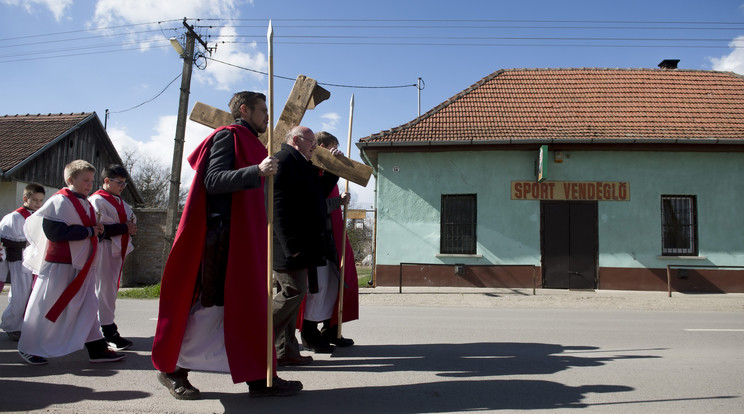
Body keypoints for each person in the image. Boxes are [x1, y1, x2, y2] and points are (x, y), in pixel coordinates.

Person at [152, 91, 302, 400]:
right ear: (245, 110)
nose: (268, 116)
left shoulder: (253, 143)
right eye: (263, 110)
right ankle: (172, 370)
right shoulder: (227, 137)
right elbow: (214, 180)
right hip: (224, 238)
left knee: (250, 308)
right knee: (213, 308)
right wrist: (256, 171)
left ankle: (259, 378)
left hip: (246, 237)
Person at [19, 160, 125, 365]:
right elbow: (54, 232)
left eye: (91, 180)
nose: (89, 184)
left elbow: (90, 231)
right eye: (85, 180)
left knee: (88, 306)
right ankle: (28, 347)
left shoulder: (85, 202)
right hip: (59, 267)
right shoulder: (59, 201)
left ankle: (96, 347)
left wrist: (99, 232)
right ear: (70, 180)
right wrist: (88, 231)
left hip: (82, 267)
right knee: (45, 308)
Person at [272, 125, 341, 366]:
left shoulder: (302, 163)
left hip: (301, 246)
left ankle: (286, 351)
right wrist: (291, 245)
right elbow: (277, 205)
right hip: (289, 247)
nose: (314, 145)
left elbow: (319, 192)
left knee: (295, 297)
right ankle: (256, 333)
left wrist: (333, 169)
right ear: (295, 140)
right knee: (293, 292)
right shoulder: (284, 160)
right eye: (310, 141)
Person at [299, 132, 359, 353]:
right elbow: (314, 203)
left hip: (333, 238)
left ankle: (331, 329)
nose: (336, 151)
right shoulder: (310, 169)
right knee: (316, 287)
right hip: (317, 238)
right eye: (332, 147)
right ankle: (310, 334)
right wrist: (337, 201)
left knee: (335, 284)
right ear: (320, 146)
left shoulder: (325, 170)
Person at [89, 165, 137, 351]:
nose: (123, 187)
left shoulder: (122, 203)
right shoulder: (97, 201)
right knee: (103, 290)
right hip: (103, 250)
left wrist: (129, 228)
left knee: (110, 291)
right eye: (119, 182)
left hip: (116, 251)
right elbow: (98, 228)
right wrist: (124, 228)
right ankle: (107, 331)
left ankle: (107, 329)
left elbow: (130, 223)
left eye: (125, 183)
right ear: (106, 181)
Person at [0, 183, 45, 342]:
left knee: (32, 296)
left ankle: (25, 325)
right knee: (20, 295)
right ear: (25, 198)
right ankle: (11, 325)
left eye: (40, 201)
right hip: (19, 261)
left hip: (35, 262)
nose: (38, 204)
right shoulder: (15, 217)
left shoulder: (39, 216)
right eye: (34, 200)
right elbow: (7, 240)